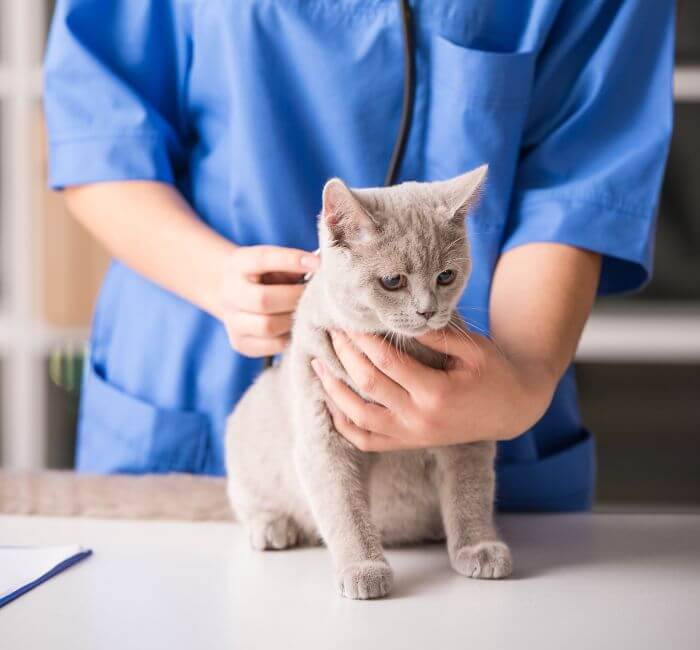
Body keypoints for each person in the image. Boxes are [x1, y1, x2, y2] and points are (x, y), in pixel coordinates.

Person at [43, 1, 674, 511]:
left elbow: (581, 184)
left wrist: (521, 381)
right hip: (196, 372)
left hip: (488, 374)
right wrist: (217, 279)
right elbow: (98, 130)